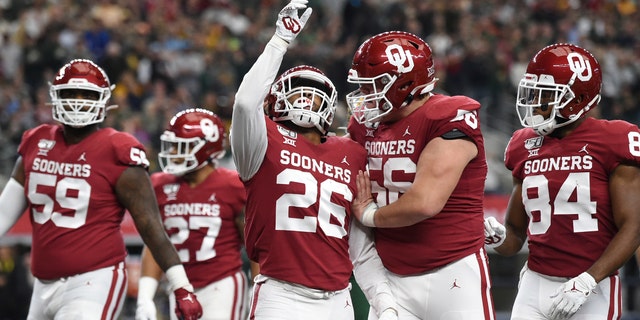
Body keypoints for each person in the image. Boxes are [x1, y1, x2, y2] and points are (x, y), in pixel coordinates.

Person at [230, 1, 396, 319]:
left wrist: (384, 302)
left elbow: (360, 247)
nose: (306, 98)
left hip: (339, 299)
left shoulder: (351, 153)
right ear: (275, 99)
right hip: (281, 294)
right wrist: (280, 39)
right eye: (297, 91)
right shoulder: (262, 141)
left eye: (314, 91)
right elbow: (244, 102)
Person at [0, 59, 202, 320]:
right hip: (42, 283)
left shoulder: (117, 149)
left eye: (87, 95)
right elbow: (4, 213)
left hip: (94, 280)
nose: (77, 102)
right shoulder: (36, 141)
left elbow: (151, 227)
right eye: (70, 93)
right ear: (55, 96)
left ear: (104, 101)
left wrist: (181, 286)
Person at [483, 43, 640, 319]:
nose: (534, 102)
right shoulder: (523, 143)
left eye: (545, 95)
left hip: (592, 286)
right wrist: (498, 238)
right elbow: (516, 233)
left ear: (577, 98)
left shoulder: (613, 139)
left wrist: (588, 280)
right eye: (534, 93)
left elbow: (634, 226)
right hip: (534, 283)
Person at [347, 31, 496, 319]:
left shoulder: (447, 114)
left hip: (453, 271)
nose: (365, 95)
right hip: (390, 275)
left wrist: (369, 216)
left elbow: (425, 202)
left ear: (405, 82)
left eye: (374, 85)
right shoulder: (364, 125)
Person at [135, 108, 251, 320]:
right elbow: (155, 244)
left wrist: (259, 285)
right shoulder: (160, 185)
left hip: (221, 282)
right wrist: (145, 297)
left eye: (182, 146)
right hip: (179, 285)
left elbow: (255, 245)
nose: (173, 153)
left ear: (206, 147)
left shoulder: (232, 185)